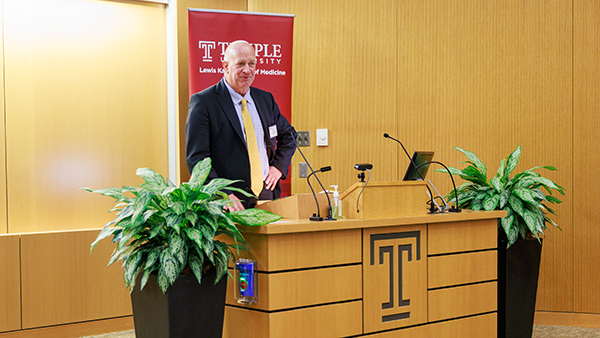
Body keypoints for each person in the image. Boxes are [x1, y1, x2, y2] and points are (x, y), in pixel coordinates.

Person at [185, 40, 296, 211]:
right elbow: (197, 159)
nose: (247, 70)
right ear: (226, 66)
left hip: (267, 195)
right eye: (241, 64)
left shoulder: (265, 100)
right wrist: (223, 193)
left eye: (252, 64)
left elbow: (289, 136)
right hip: (228, 202)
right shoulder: (204, 102)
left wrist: (278, 168)